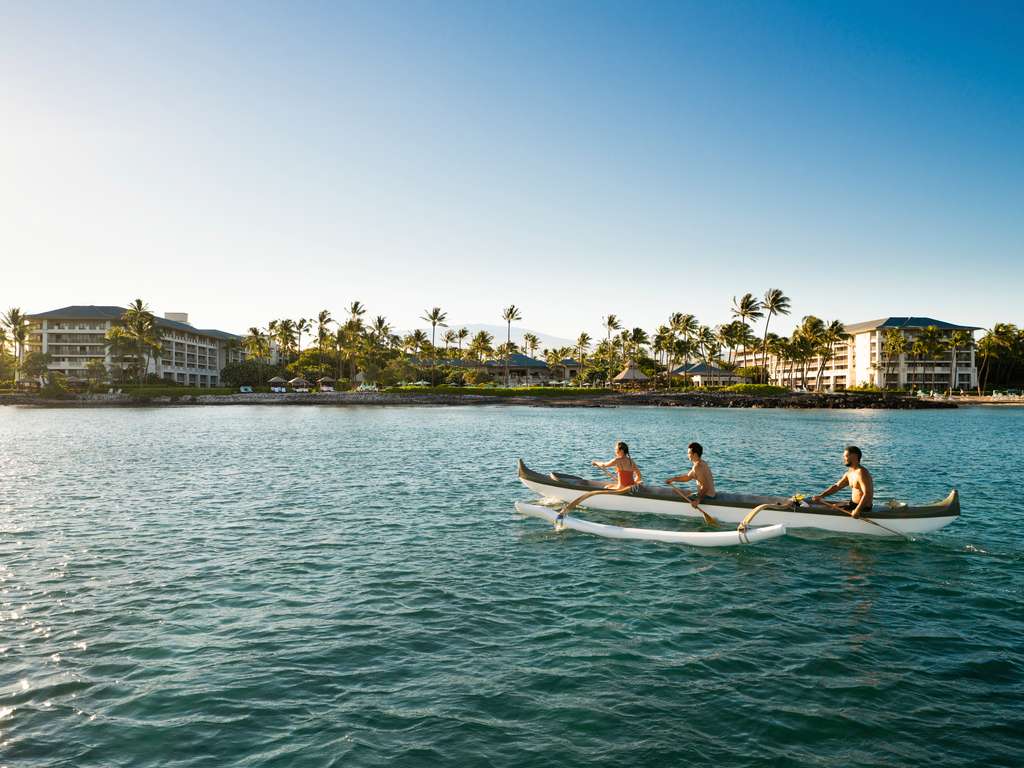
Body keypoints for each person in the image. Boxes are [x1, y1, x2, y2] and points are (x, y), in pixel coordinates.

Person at [812, 445, 874, 517]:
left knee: (831, 509)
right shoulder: (849, 473)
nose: (844, 459)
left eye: (846, 456)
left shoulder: (862, 473)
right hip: (853, 504)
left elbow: (867, 494)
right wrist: (821, 496)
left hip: (863, 508)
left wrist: (857, 510)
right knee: (832, 506)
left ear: (854, 456)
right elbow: (837, 486)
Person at [665, 442, 716, 508]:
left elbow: (705, 487)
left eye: (689, 453)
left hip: (707, 496)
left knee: (682, 495)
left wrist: (697, 500)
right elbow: (688, 477)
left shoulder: (698, 467)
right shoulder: (701, 463)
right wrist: (673, 479)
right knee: (682, 492)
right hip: (710, 494)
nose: (688, 455)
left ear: (694, 454)